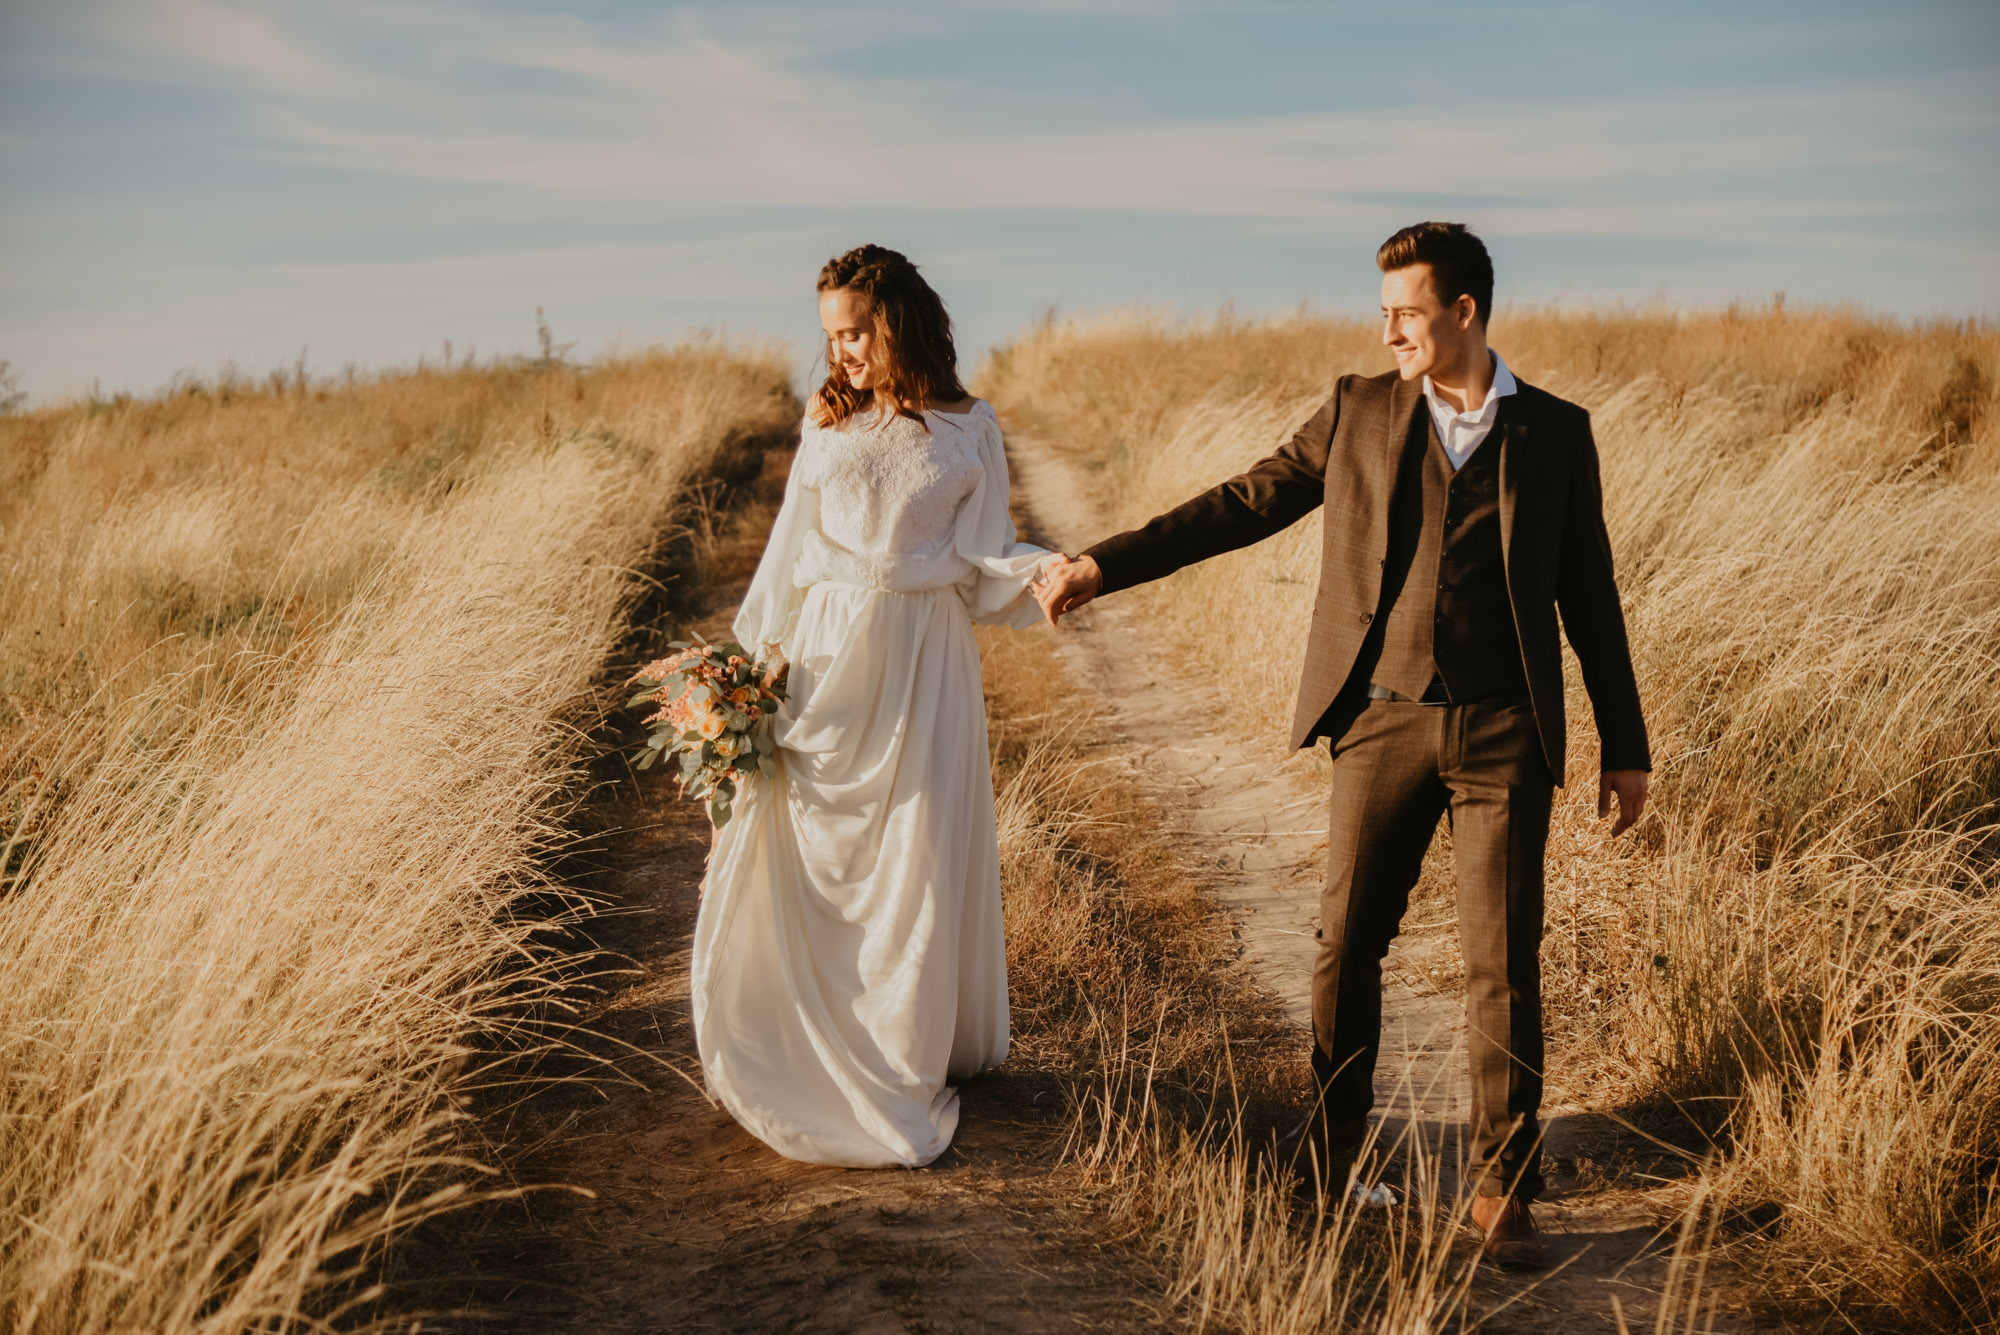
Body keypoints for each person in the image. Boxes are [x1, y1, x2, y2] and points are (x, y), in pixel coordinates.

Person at [1034, 222, 1651, 1269]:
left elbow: (1586, 594)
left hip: (1505, 727)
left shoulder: (1555, 433)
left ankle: (1502, 1186)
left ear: (1462, 311)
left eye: (1405, 311)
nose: (1388, 329)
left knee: (1500, 959)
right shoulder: (1358, 411)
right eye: (1383, 314)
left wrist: (1623, 744)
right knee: (1344, 943)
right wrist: (1102, 564)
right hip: (1379, 718)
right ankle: (1328, 1155)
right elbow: (1243, 502)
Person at [691, 245, 1060, 1168]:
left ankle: (900, 1050)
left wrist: (1052, 573)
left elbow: (984, 558)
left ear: (897, 321)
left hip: (925, 655)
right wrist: (744, 676)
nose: (843, 351)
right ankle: (799, 1031)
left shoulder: (972, 429)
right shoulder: (826, 421)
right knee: (820, 839)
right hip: (824, 652)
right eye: (832, 336)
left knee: (914, 851)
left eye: (856, 331)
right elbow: (786, 556)